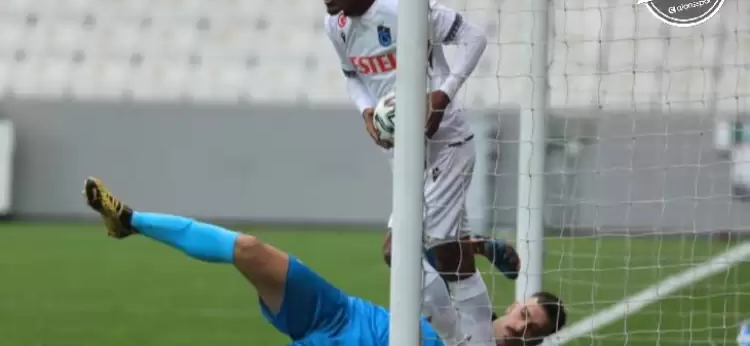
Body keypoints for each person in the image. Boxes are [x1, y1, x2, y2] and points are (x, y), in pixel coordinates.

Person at [82, 177, 566, 346]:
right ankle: (129, 221)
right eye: (526, 315)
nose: (520, 327)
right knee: (249, 248)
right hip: (338, 313)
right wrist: (481, 246)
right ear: (516, 304)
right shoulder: (473, 312)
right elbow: (401, 254)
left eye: (532, 331)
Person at [317, 0, 495, 344]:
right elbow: (352, 78)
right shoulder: (336, 26)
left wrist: (442, 95)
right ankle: (482, 339)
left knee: (399, 251)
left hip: (446, 143)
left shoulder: (405, 8)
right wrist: (366, 110)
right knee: (452, 258)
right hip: (402, 150)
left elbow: (474, 39)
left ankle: (458, 341)